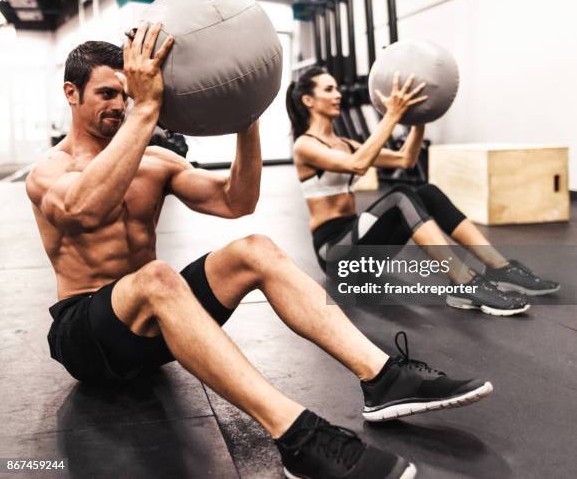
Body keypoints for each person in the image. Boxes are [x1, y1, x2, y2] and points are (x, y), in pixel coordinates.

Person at [27, 24, 493, 479]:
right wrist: (147, 108)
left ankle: (383, 378)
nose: (120, 104)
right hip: (87, 337)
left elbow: (237, 201)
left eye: (125, 94)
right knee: (157, 278)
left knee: (256, 248)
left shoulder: (157, 161)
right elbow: (83, 209)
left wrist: (245, 119)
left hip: (156, 335)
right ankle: (298, 437)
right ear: (72, 92)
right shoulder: (51, 170)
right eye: (107, 93)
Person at [286, 67, 559, 317]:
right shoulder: (305, 145)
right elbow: (358, 165)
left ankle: (500, 267)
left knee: (427, 192)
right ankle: (464, 282)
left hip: (362, 244)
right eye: (328, 89)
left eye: (336, 88)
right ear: (308, 101)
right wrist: (392, 114)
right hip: (335, 253)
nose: (337, 95)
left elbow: (405, 159)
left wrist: (419, 119)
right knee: (399, 195)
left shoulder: (346, 143)